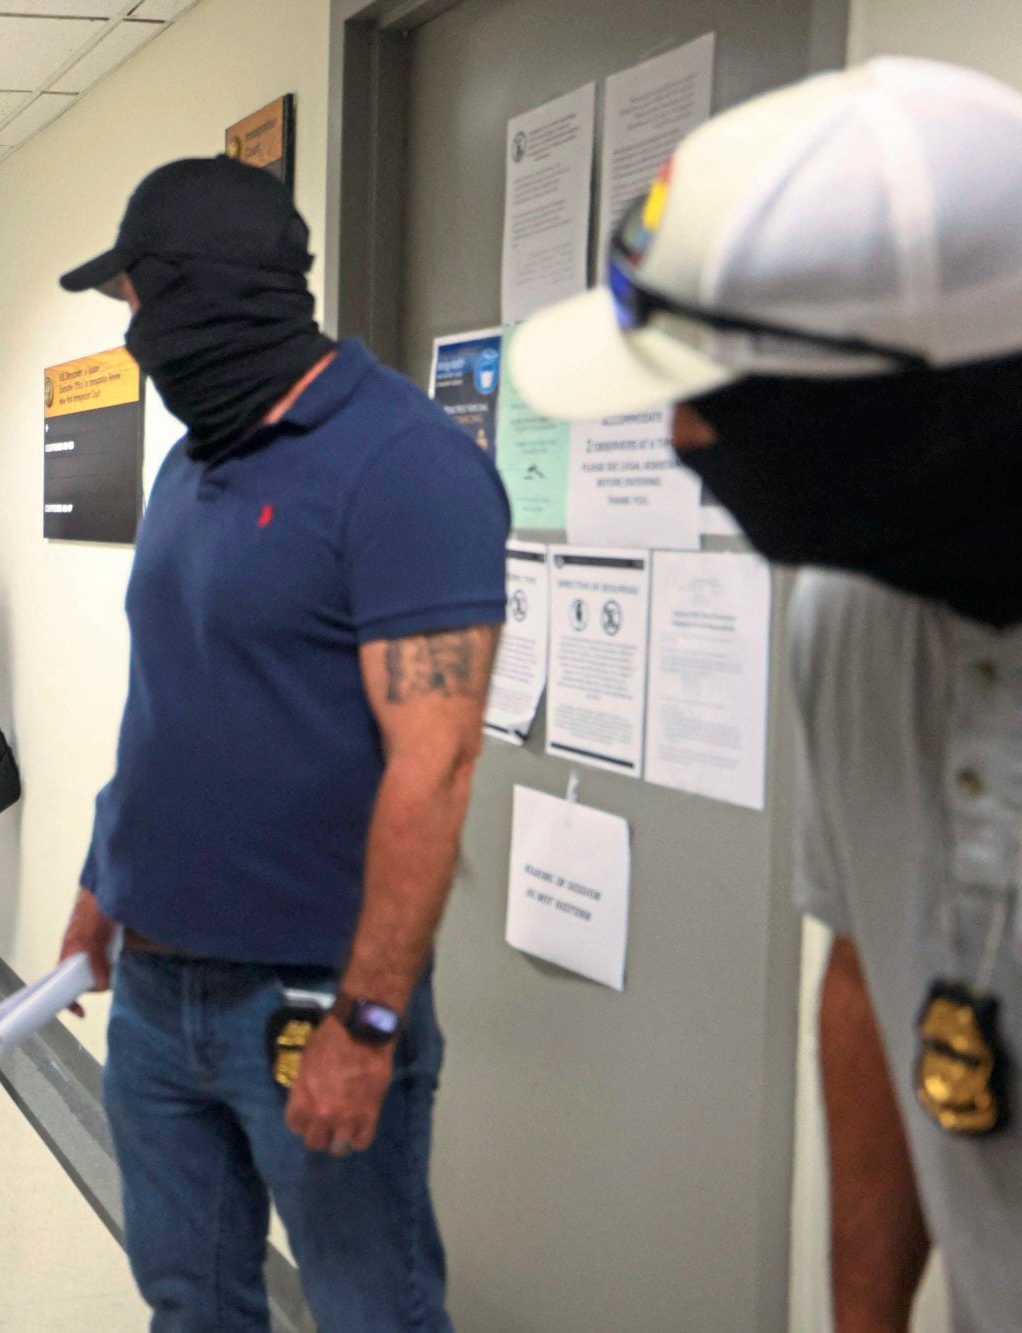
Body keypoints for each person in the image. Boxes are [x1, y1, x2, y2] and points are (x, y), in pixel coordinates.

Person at [510, 57, 1022, 1333]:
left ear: (932, 407)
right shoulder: (849, 621)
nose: (683, 441)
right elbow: (867, 972)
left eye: (721, 398)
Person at [55, 157, 509, 1331]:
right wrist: (103, 883)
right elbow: (167, 693)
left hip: (309, 999)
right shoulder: (186, 460)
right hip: (154, 993)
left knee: (371, 1311)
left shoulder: (402, 465)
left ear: (194, 294)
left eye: (136, 305)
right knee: (189, 1301)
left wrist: (367, 1021)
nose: (137, 339)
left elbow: (437, 762)